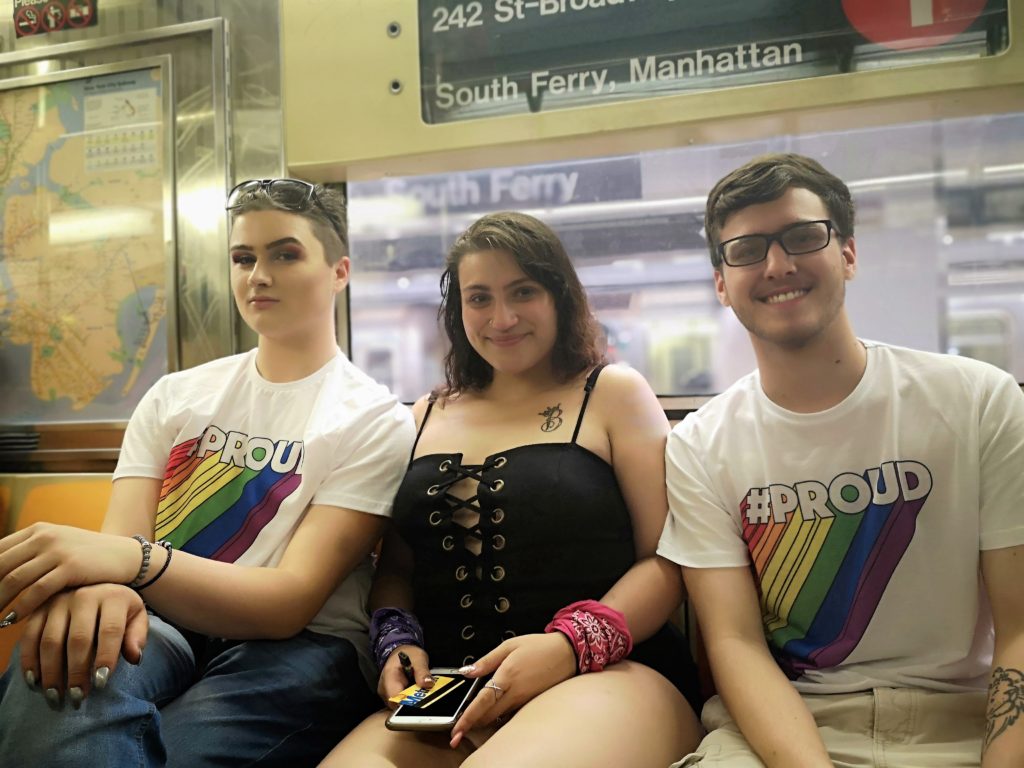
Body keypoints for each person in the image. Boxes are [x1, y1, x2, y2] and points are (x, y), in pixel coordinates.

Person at [0, 178, 416, 766]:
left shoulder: (373, 420)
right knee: (58, 682)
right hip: (161, 619)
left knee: (180, 752)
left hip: (301, 644)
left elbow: (288, 601)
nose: (258, 275)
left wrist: (133, 563)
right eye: (243, 258)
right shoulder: (176, 396)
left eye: (285, 254)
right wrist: (96, 589)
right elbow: (118, 551)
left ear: (340, 272)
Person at [658, 153, 1024, 767]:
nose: (778, 264)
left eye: (802, 237)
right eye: (747, 249)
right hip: (788, 728)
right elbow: (737, 644)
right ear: (721, 282)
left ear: (848, 254)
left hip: (964, 719)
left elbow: (1019, 628)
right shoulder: (700, 446)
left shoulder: (980, 400)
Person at [321, 211, 702, 768]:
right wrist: (396, 640)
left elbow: (665, 559)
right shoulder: (425, 413)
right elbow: (398, 570)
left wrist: (568, 646)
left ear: (559, 297)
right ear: (458, 311)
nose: (502, 317)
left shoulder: (613, 392)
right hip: (451, 690)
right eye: (479, 298)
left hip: (609, 674)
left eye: (523, 291)